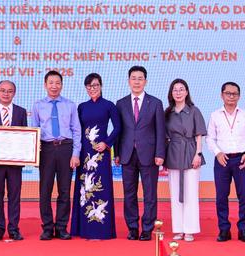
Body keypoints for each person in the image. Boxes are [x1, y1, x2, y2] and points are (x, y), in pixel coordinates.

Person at [115, 65, 165, 241]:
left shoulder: (156, 103)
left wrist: (160, 153)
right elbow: (118, 131)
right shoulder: (121, 103)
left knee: (150, 194)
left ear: (146, 81)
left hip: (149, 155)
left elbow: (161, 131)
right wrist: (117, 153)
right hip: (127, 154)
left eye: (140, 78)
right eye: (133, 78)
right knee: (129, 194)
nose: (137, 82)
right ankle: (133, 228)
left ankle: (147, 229)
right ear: (128, 81)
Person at [31, 70, 81, 241]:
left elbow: (76, 130)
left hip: (66, 148)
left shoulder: (70, 105)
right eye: (51, 83)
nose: (54, 86)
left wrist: (75, 154)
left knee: (64, 190)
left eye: (57, 83)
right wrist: (34, 155)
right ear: (45, 85)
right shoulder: (38, 106)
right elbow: (34, 132)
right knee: (45, 190)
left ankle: (61, 227)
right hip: (46, 149)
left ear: (62, 85)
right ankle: (47, 227)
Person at [207, 81, 245, 243]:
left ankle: (243, 230)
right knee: (221, 196)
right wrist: (217, 153)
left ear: (239, 96)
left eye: (234, 94)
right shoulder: (215, 115)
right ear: (221, 95)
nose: (231, 96)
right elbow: (210, 138)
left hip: (242, 159)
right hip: (222, 160)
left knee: (244, 196)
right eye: (228, 93)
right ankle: (224, 229)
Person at [71, 73, 120, 240]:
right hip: (85, 153)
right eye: (89, 86)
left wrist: (107, 143)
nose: (93, 89)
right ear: (86, 88)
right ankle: (84, 229)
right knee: (84, 189)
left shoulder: (109, 105)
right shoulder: (82, 107)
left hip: (101, 154)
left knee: (102, 188)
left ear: (101, 86)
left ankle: (102, 229)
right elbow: (77, 130)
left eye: (96, 85)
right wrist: (76, 152)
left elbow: (118, 127)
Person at [0, 80, 28, 241]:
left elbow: (25, 136)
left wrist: (26, 154)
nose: (6, 93)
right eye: (2, 90)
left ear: (14, 93)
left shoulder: (21, 112)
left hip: (15, 163)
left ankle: (14, 229)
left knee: (15, 196)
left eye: (9, 91)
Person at [163, 79, 207, 242]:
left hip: (190, 152)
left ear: (187, 92)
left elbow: (199, 134)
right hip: (173, 153)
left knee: (191, 193)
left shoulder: (194, 111)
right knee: (175, 193)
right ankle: (178, 229)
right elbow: (164, 136)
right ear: (171, 93)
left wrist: (198, 154)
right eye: (175, 90)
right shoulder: (167, 112)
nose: (178, 92)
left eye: (181, 89)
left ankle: (190, 229)